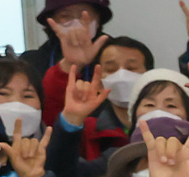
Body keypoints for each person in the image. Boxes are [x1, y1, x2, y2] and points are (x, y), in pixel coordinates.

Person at [45, 35, 159, 168]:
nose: (121, 76)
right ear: (99, 82)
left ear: (150, 76)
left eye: (131, 68)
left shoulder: (168, 122)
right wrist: (71, 119)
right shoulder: (87, 130)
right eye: (111, 70)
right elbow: (61, 172)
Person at [22, 0, 111, 86]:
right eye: (65, 16)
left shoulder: (118, 53)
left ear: (98, 20)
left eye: (84, 15)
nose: (76, 22)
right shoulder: (32, 62)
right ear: (50, 21)